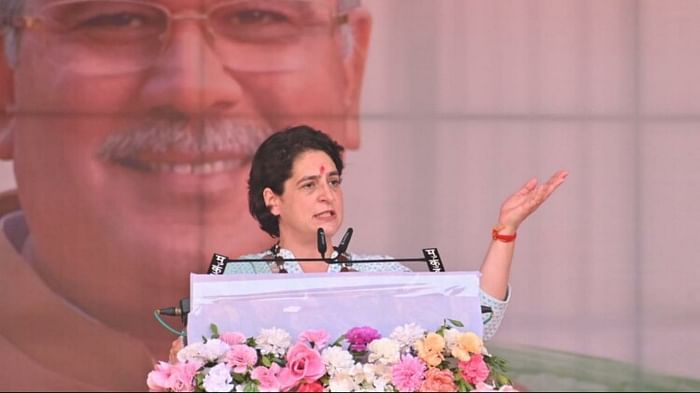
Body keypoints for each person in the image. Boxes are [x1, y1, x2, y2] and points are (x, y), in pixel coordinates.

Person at [0, 0, 371, 390]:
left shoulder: (430, 345)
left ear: (349, 78)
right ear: (7, 88)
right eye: (116, 20)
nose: (191, 89)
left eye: (255, 17)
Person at [226, 125, 568, 340]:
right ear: (273, 200)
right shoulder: (241, 276)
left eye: (333, 182)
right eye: (309, 184)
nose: (327, 195)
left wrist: (505, 231)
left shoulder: (379, 272)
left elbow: (475, 322)